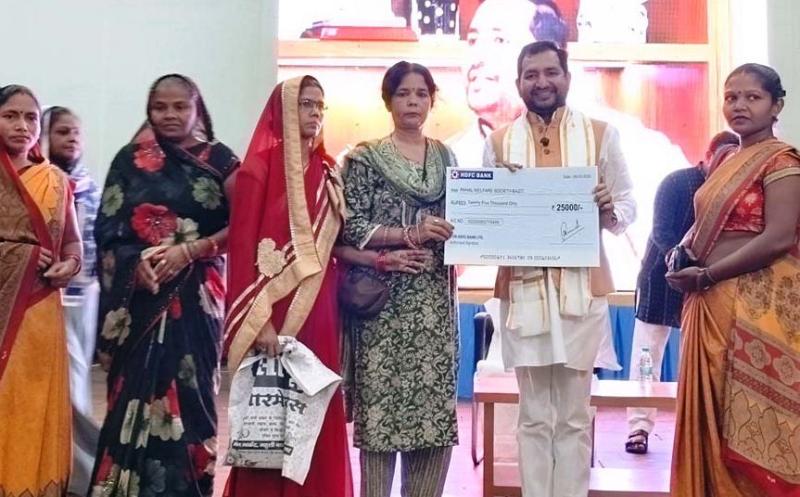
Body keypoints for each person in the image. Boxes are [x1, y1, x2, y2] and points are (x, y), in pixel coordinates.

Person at [483, 41, 636, 497]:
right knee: (532, 414)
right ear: (519, 83)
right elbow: (487, 219)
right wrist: (496, 202)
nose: (542, 82)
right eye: (531, 74)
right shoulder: (498, 143)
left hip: (581, 292)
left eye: (551, 72)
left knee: (573, 415)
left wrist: (608, 209)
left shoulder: (601, 134)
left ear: (567, 77)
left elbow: (627, 206)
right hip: (522, 293)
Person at [89, 74, 239, 496]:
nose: (170, 115)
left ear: (197, 109)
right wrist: (133, 264)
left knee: (193, 398)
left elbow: (245, 223)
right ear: (148, 110)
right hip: (140, 299)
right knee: (129, 397)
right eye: (160, 107)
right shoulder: (129, 161)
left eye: (180, 106)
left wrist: (191, 251)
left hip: (197, 297)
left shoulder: (221, 160)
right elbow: (107, 230)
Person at [666, 63, 800, 497]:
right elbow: (704, 220)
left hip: (754, 310)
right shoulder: (725, 158)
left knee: (744, 417)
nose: (739, 105)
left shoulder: (782, 161)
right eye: (731, 97)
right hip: (709, 303)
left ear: (777, 106)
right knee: (711, 416)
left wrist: (708, 274)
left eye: (752, 97)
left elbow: (779, 236)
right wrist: (681, 248)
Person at [222, 75, 353, 497]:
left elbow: (336, 244)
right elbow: (242, 249)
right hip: (273, 313)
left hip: (320, 307)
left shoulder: (329, 172)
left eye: (320, 106)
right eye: (305, 104)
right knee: (270, 422)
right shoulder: (257, 169)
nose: (315, 114)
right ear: (282, 110)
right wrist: (258, 321)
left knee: (316, 407)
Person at [341, 61, 458, 497]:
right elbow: (350, 226)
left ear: (431, 100)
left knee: (433, 416)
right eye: (404, 93)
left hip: (434, 305)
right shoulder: (364, 159)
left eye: (422, 94)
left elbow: (467, 215)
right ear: (388, 101)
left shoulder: (446, 157)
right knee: (381, 417)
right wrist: (407, 235)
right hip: (382, 304)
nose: (413, 102)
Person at [625, 130, 738, 455]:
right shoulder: (676, 182)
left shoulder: (733, 191)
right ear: (708, 156)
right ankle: (639, 427)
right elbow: (662, 232)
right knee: (647, 355)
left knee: (699, 358)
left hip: (703, 283)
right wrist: (680, 262)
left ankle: (697, 430)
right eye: (724, 159)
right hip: (660, 280)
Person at [0, 85, 82, 496]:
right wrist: (24, 255)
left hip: (41, 313)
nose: (22, 126)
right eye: (10, 116)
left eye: (31, 117)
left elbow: (72, 243)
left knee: (34, 403)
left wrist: (70, 264)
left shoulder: (55, 180)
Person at [39, 105, 103, 495]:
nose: (71, 138)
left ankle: (82, 469)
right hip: (46, 296)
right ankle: (78, 467)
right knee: (62, 384)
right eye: (62, 132)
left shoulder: (87, 185)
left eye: (76, 132)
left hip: (84, 295)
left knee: (74, 383)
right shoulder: (38, 183)